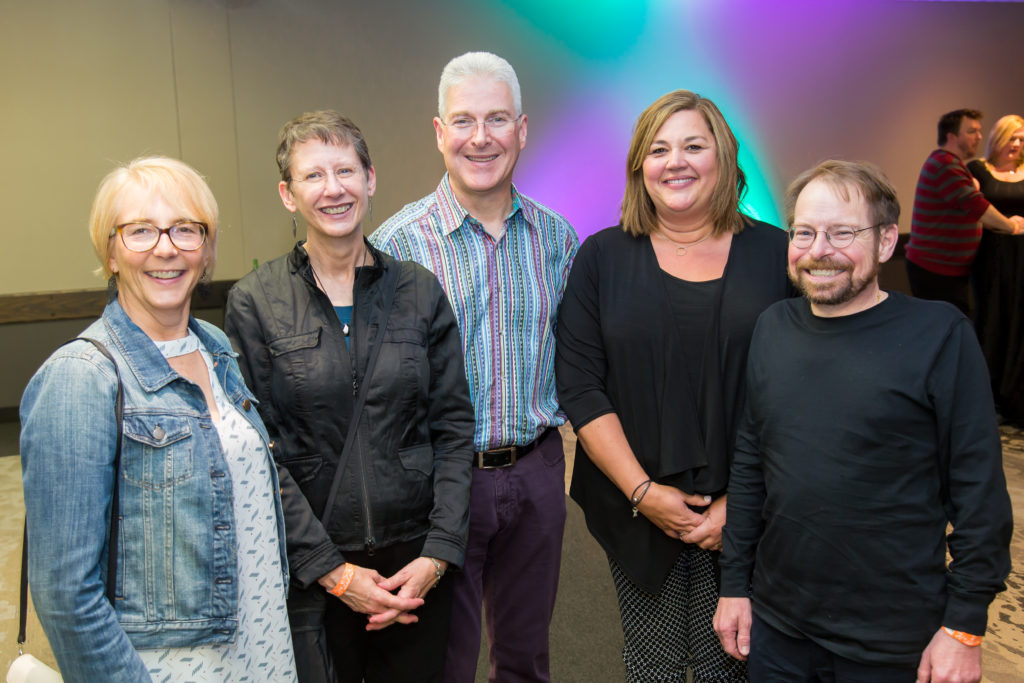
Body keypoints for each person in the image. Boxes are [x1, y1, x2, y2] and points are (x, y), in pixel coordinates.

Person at [714, 160, 1013, 683]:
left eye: (842, 232)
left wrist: (964, 627)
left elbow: (979, 493)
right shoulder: (773, 328)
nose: (819, 250)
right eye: (804, 232)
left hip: (895, 642)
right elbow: (750, 463)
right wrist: (734, 586)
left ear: (887, 241)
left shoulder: (939, 335)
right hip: (778, 629)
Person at [20, 156, 296, 682]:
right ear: (110, 251)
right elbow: (65, 593)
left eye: (185, 229)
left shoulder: (215, 348)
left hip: (262, 647)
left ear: (207, 250)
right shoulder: (82, 377)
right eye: (141, 230)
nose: (165, 248)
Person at [224, 110, 474, 683]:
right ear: (288, 195)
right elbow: (260, 453)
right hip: (313, 570)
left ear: (371, 180)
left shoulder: (419, 291)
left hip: (416, 566)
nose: (333, 189)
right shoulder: (254, 303)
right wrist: (335, 574)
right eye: (313, 176)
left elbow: (455, 429)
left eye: (345, 170)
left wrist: (437, 556)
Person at [555, 89, 793, 682]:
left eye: (693, 145)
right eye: (658, 149)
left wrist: (741, 504)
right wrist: (642, 493)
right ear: (640, 167)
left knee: (734, 662)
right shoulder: (601, 258)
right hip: (636, 505)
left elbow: (801, 389)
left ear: (725, 156)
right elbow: (581, 387)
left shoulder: (777, 254)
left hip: (753, 506)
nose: (675, 161)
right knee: (653, 664)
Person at [371, 52, 578, 683]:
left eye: (497, 119)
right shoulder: (395, 247)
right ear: (439, 133)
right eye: (464, 121)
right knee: (444, 661)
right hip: (440, 481)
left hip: (540, 471)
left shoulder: (556, 240)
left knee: (525, 659)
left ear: (522, 129)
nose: (480, 137)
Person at [904, 108, 1024, 315]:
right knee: (947, 328)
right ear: (952, 136)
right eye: (971, 131)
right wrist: (1012, 226)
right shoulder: (946, 166)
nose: (978, 137)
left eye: (979, 131)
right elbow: (977, 207)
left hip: (946, 268)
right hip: (936, 269)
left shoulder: (952, 165)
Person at [968, 114, 1024, 424]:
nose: (1016, 145)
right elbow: (972, 208)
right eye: (1011, 137)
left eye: (1021, 139)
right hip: (990, 259)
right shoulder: (978, 170)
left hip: (1022, 261)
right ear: (997, 139)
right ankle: (990, 397)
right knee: (992, 319)